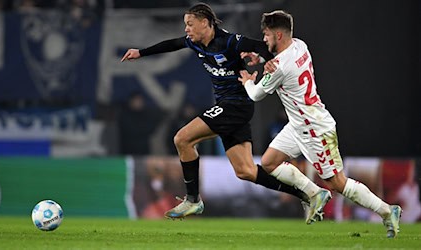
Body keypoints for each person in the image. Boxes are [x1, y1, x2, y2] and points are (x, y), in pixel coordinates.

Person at [121, 3, 328, 221]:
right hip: (232, 109)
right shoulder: (195, 43)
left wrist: (268, 60)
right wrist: (141, 52)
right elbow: (172, 44)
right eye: (185, 25)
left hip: (235, 105)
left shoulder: (229, 42)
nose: (186, 29)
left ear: (205, 23)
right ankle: (309, 193)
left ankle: (192, 200)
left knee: (182, 139)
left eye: (190, 24)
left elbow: (262, 46)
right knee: (246, 171)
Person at [238, 10, 402, 237]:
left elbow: (256, 95)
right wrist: (265, 58)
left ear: (278, 35)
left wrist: (248, 80)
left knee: (338, 183)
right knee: (268, 163)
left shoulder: (280, 66)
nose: (263, 39)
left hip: (315, 130)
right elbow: (282, 59)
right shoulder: (300, 45)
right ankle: (315, 193)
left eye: (266, 35)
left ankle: (387, 211)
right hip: (298, 125)